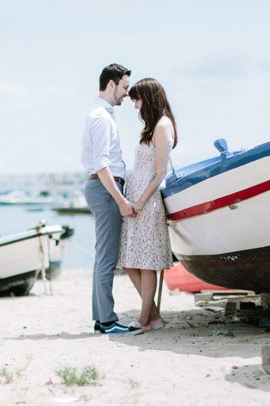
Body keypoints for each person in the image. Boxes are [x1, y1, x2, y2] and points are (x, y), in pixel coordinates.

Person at [81, 63, 143, 335]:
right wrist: (120, 200)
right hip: (105, 188)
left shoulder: (101, 115)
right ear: (111, 84)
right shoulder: (101, 118)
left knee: (102, 256)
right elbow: (102, 165)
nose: (127, 94)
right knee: (107, 258)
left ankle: (101, 318)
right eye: (125, 87)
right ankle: (107, 321)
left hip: (102, 188)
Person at [117, 78, 177, 331]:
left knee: (145, 261)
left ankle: (145, 321)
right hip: (136, 198)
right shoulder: (153, 126)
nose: (136, 106)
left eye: (138, 100)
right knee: (129, 260)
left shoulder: (163, 126)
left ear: (149, 99)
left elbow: (160, 171)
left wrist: (141, 201)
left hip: (147, 201)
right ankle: (153, 315)